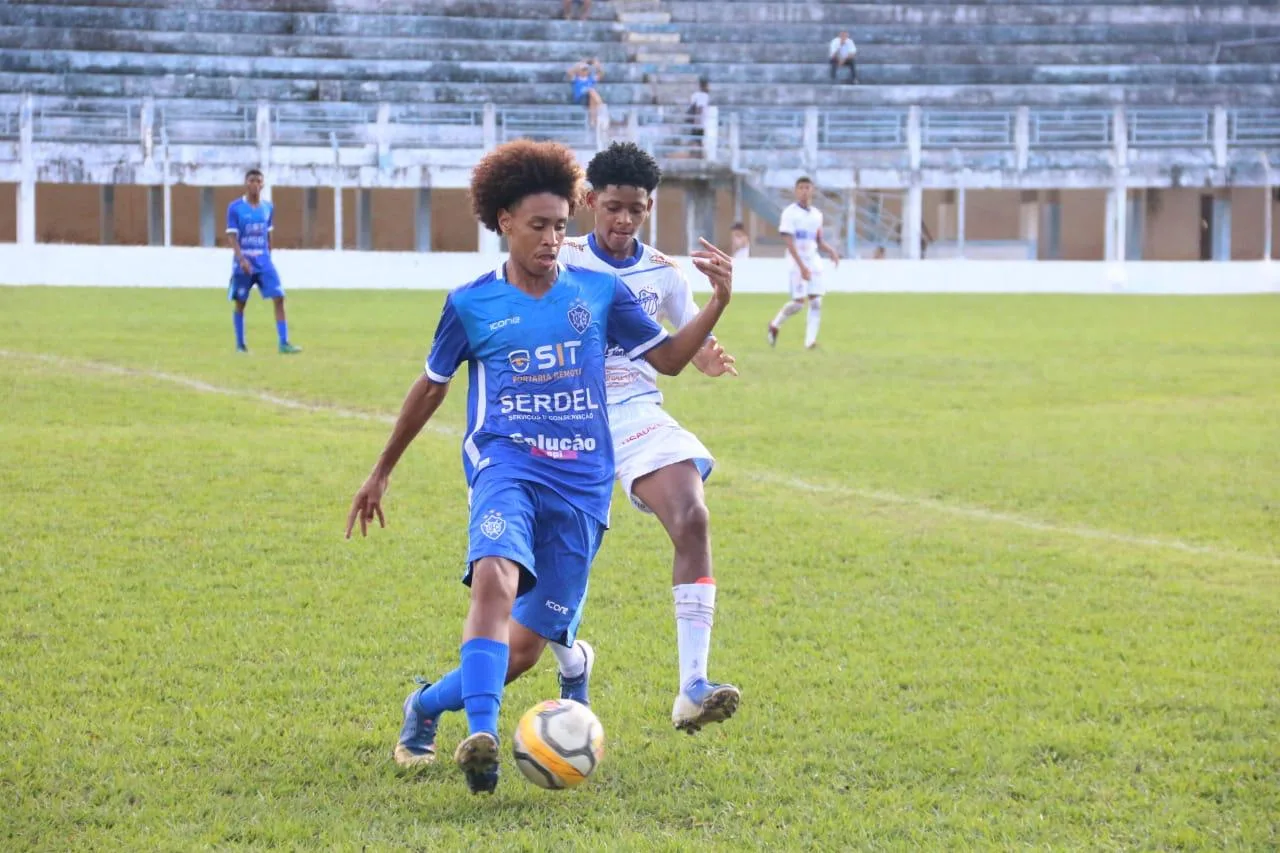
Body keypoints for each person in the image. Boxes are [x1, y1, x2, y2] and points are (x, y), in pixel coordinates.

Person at [344, 139, 734, 794]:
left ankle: (425, 706)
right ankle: (484, 736)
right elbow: (433, 385)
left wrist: (719, 302)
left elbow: (666, 359)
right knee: (492, 578)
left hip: (581, 481)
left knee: (523, 651)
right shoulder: (471, 303)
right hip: (506, 463)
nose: (553, 238)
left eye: (559, 225)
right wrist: (381, 469)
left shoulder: (599, 291)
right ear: (503, 221)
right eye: (538, 225)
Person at [557, 141, 742, 733]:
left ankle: (693, 686)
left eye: (636, 209)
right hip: (561, 414)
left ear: (649, 207)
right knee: (548, 574)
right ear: (589, 201)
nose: (624, 220)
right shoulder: (556, 257)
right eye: (612, 207)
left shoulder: (661, 271)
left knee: (693, 517)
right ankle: (570, 658)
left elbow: (682, 346)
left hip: (635, 409)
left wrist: (708, 349)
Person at [226, 169, 301, 354]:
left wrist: (269, 256)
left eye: (258, 181)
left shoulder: (268, 207)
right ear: (246, 183)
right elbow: (232, 237)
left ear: (263, 184)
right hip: (244, 262)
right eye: (251, 180)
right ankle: (240, 345)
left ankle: (284, 342)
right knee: (241, 302)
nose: (255, 184)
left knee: (279, 297)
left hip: (263, 261)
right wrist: (241, 259)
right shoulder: (235, 208)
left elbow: (268, 234)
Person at [768, 177, 840, 350]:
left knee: (816, 302)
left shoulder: (817, 215)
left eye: (807, 187)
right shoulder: (789, 213)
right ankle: (774, 325)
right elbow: (789, 242)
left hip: (813, 259)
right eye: (801, 188)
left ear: (812, 190)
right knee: (799, 303)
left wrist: (831, 251)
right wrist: (801, 267)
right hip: (796, 260)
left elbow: (818, 239)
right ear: (796, 191)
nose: (804, 191)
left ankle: (810, 342)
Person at [568, 58, 606, 130]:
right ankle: (601, 107)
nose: (585, 71)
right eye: (583, 69)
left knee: (592, 97)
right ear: (579, 71)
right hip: (580, 99)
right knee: (591, 91)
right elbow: (569, 72)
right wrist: (580, 63)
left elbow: (601, 74)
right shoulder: (576, 79)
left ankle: (593, 121)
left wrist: (598, 66)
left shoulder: (590, 79)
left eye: (586, 69)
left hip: (590, 99)